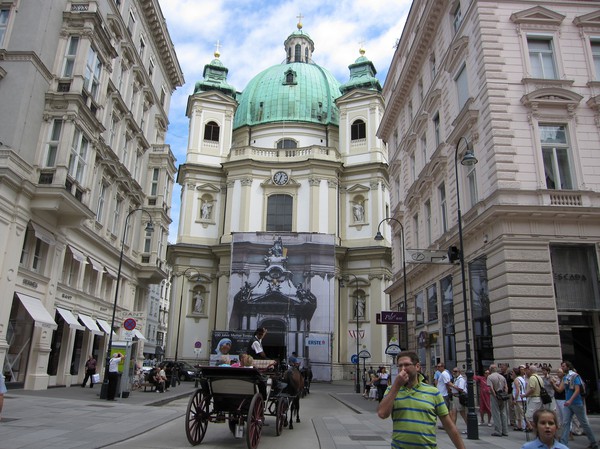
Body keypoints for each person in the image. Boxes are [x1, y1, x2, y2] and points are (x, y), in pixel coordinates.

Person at [377, 351, 466, 449]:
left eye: (406, 365)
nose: (403, 369)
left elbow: (449, 426)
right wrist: (396, 386)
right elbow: (382, 413)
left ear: (417, 367)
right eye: (400, 366)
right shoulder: (392, 390)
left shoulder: (433, 392)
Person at [558, 360, 598, 448]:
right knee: (565, 423)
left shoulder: (575, 376)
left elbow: (577, 390)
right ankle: (563, 443)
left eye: (563, 366)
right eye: (562, 366)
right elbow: (562, 390)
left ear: (568, 367)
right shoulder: (566, 377)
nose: (562, 368)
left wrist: (570, 400)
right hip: (568, 404)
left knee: (584, 423)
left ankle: (593, 442)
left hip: (576, 403)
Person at [487, 363, 509, 436]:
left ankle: (498, 430)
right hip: (502, 395)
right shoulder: (502, 377)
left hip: (495, 396)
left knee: (496, 413)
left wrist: (495, 395)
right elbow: (506, 387)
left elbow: (491, 388)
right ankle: (505, 430)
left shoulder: (490, 377)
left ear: (490, 369)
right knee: (503, 413)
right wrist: (505, 394)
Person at [523, 365, 544, 431]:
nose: (526, 371)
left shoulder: (532, 378)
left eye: (528, 370)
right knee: (536, 416)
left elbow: (532, 389)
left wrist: (525, 395)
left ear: (530, 370)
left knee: (528, 416)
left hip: (534, 399)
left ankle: (535, 430)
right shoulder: (539, 377)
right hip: (539, 399)